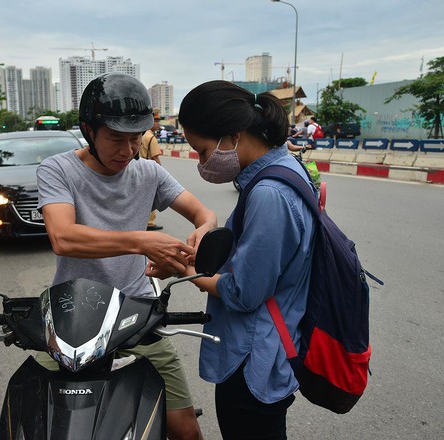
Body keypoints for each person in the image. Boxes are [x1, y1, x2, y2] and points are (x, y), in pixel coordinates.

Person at [37, 72, 217, 440]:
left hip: (137, 311)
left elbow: (205, 214)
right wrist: (142, 242)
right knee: (40, 414)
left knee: (187, 431)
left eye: (136, 139)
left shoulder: (148, 173)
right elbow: (63, 237)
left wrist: (201, 234)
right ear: (89, 130)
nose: (127, 150)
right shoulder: (57, 170)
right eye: (116, 138)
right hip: (72, 314)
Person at [177, 80, 316, 440]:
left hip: (253, 359)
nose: (202, 162)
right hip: (267, 347)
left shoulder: (269, 193)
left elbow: (244, 293)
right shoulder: (284, 168)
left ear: (234, 136)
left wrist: (185, 271)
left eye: (203, 150)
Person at [139, 110, 164, 231]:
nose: (158, 124)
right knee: (150, 198)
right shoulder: (151, 137)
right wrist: (160, 174)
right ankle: (149, 223)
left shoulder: (141, 135)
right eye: (156, 122)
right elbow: (155, 157)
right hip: (148, 172)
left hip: (138, 169)